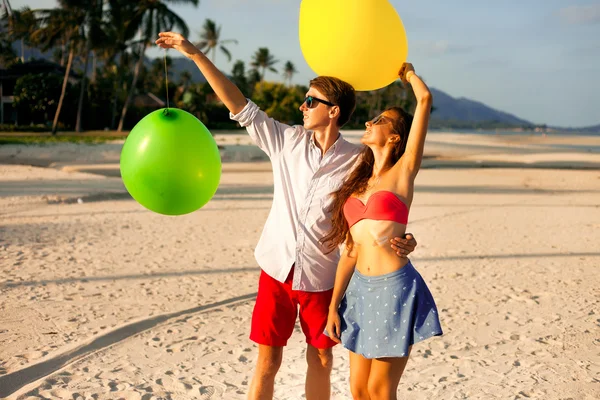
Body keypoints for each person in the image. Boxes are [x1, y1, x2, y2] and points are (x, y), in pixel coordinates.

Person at [155, 32, 419, 400]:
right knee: (267, 361)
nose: (302, 106)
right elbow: (238, 104)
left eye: (311, 101)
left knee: (323, 359)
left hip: (323, 274)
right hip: (276, 268)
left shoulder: (358, 160)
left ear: (334, 111)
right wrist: (194, 53)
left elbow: (382, 203)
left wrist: (403, 238)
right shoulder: (286, 140)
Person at [323, 63, 442, 400]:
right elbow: (351, 250)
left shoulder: (404, 171)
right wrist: (334, 306)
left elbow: (425, 100)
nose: (369, 122)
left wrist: (409, 75)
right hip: (358, 290)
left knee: (379, 389)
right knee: (358, 389)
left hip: (394, 289)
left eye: (379, 120)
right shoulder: (359, 183)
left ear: (394, 137)